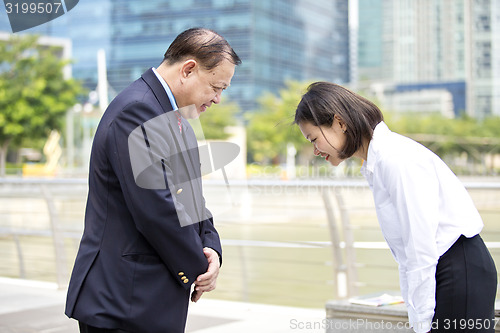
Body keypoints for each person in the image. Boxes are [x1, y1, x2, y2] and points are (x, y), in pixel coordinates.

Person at [65, 27, 241, 333]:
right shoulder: (138, 110)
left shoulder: (178, 119)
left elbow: (192, 202)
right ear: (188, 69)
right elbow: (157, 209)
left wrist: (212, 249)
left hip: (147, 300)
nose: (218, 99)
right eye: (216, 87)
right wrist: (200, 268)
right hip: (123, 301)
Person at [294, 82, 497, 333]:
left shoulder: (394, 159)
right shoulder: (378, 162)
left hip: (459, 270)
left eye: (314, 139)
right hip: (451, 268)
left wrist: (421, 321)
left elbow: (420, 244)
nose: (315, 150)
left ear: (340, 122)